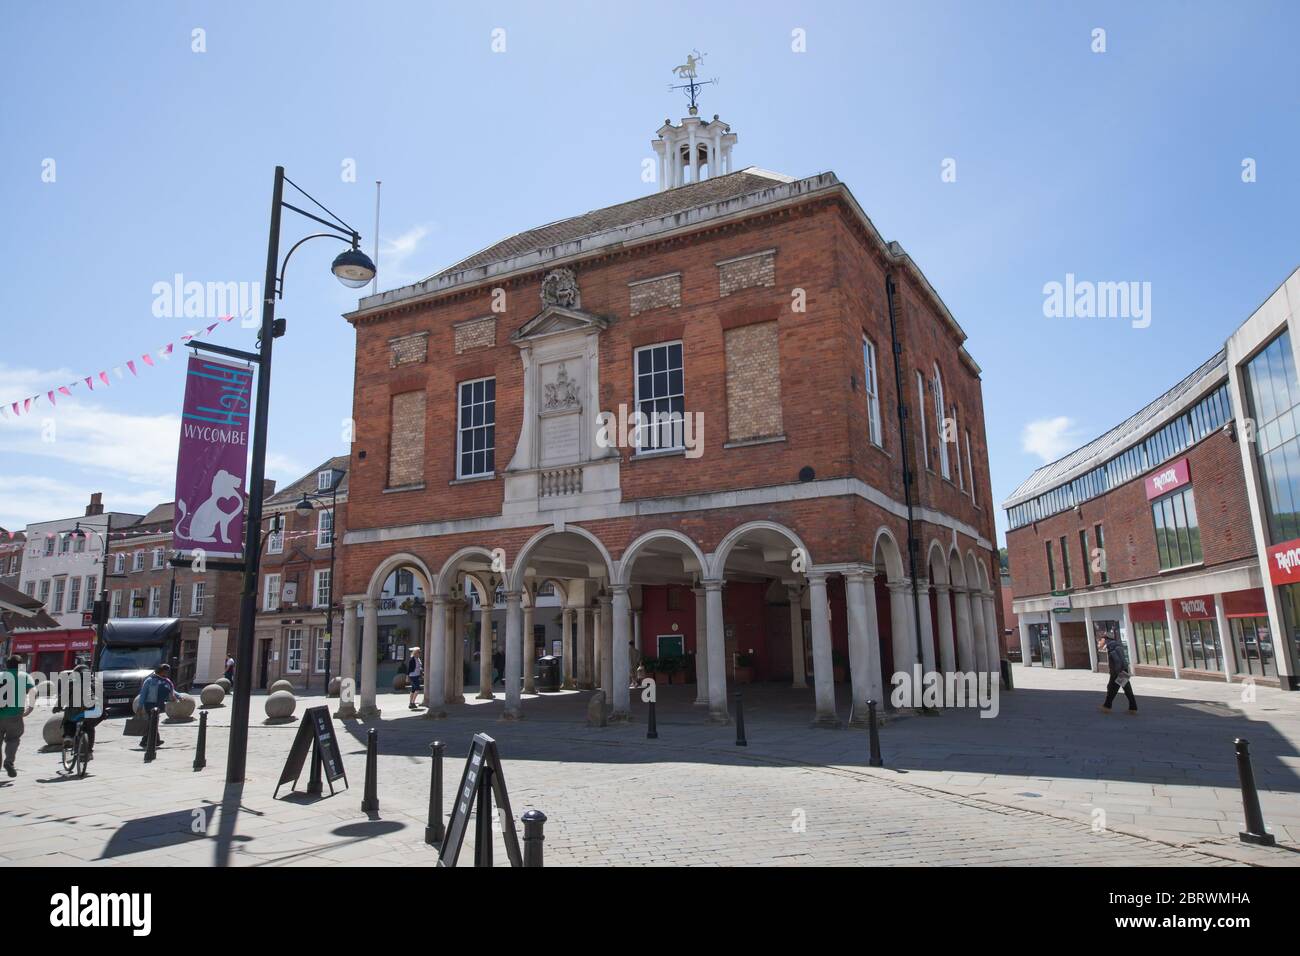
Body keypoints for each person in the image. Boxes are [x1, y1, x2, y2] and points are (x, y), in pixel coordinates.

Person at [0, 655, 36, 778]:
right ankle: (9, 762)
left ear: (6, 665)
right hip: (15, 715)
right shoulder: (24, 676)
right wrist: (30, 708)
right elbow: (33, 691)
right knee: (13, 740)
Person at [60, 664, 101, 761]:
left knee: (68, 718)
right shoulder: (95, 682)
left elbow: (63, 698)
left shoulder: (72, 683)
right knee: (90, 728)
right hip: (93, 712)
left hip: (76, 712)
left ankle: (68, 736)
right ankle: (89, 752)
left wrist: (57, 708)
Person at [139, 663, 180, 747]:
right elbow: (143, 693)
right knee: (152, 722)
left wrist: (179, 696)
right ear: (160, 671)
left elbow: (171, 690)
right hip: (150, 704)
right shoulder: (149, 680)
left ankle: (148, 740)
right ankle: (152, 740)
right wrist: (140, 706)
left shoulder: (166, 681)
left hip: (159, 704)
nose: (166, 673)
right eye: (165, 671)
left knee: (153, 722)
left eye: (167, 672)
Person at [1100, 634, 1137, 714]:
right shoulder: (1116, 646)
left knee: (1112, 689)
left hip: (1118, 672)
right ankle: (1133, 708)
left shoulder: (1111, 648)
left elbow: (1117, 661)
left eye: (1101, 639)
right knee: (1126, 690)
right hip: (1123, 670)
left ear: (1106, 639)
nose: (1100, 641)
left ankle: (1107, 707)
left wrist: (1116, 673)